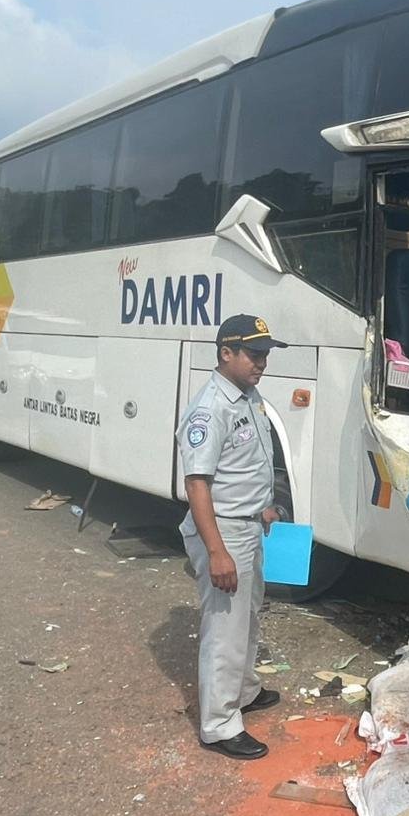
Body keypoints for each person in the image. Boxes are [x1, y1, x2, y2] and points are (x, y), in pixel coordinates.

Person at [178, 313, 288, 760]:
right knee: (225, 629)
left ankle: (243, 690)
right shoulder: (211, 407)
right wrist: (216, 550)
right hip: (223, 532)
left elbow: (243, 464)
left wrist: (264, 506)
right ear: (226, 353)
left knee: (248, 616)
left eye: (265, 354)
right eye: (254, 354)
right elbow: (198, 483)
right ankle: (219, 725)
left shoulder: (248, 396)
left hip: (249, 526)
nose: (262, 362)